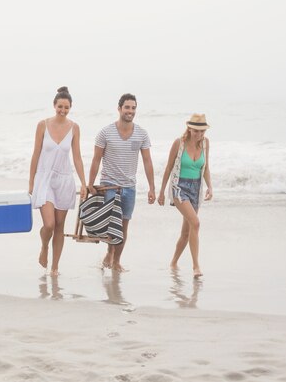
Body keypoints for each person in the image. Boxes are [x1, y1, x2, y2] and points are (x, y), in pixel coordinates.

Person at [88, 93, 156, 272]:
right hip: (109, 184)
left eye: (133, 108)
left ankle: (116, 260)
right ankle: (110, 253)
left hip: (129, 186)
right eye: (127, 107)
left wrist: (152, 188)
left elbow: (147, 161)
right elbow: (96, 159)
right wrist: (90, 183)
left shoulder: (141, 134)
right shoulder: (105, 132)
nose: (130, 111)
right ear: (119, 109)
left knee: (124, 224)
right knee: (113, 224)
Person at [29, 86, 87, 276]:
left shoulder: (74, 128)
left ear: (70, 107)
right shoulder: (42, 125)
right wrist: (31, 182)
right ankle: (44, 246)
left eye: (66, 107)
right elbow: (36, 154)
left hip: (64, 180)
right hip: (44, 179)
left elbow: (77, 157)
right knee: (49, 225)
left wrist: (84, 183)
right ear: (54, 105)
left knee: (60, 226)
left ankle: (55, 267)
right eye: (60, 106)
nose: (63, 110)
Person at [157, 113, 213, 278]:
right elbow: (168, 168)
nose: (199, 134)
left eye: (202, 131)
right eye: (196, 131)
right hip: (179, 187)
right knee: (195, 223)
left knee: (187, 231)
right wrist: (161, 192)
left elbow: (206, 168)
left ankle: (173, 262)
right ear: (189, 128)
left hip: (196, 189)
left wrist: (210, 187)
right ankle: (196, 266)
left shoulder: (205, 144)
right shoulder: (179, 143)